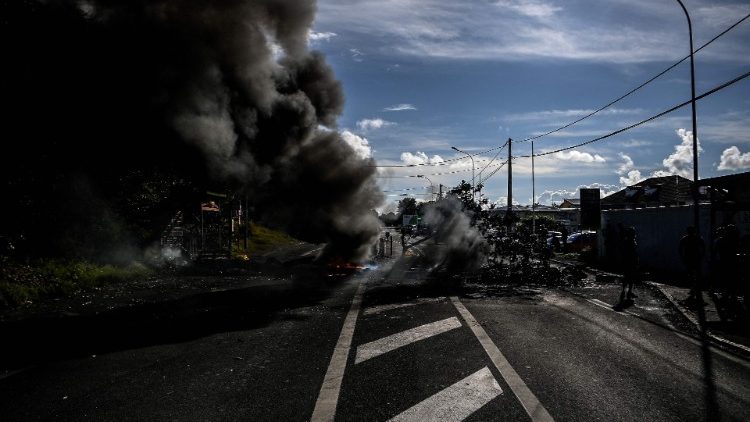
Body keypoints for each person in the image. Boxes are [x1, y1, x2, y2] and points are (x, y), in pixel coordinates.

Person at [679, 226, 705, 304]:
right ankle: (695, 288)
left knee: (692, 274)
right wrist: (702, 256)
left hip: (691, 259)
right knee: (694, 274)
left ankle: (694, 288)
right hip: (694, 259)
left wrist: (682, 257)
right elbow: (703, 247)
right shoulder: (698, 238)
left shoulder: (685, 239)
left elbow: (680, 248)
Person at [620, 226, 639, 300]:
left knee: (627, 277)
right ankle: (629, 292)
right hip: (631, 262)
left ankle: (625, 291)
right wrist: (636, 262)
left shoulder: (626, 241)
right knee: (631, 278)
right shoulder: (631, 242)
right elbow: (634, 253)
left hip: (626, 262)